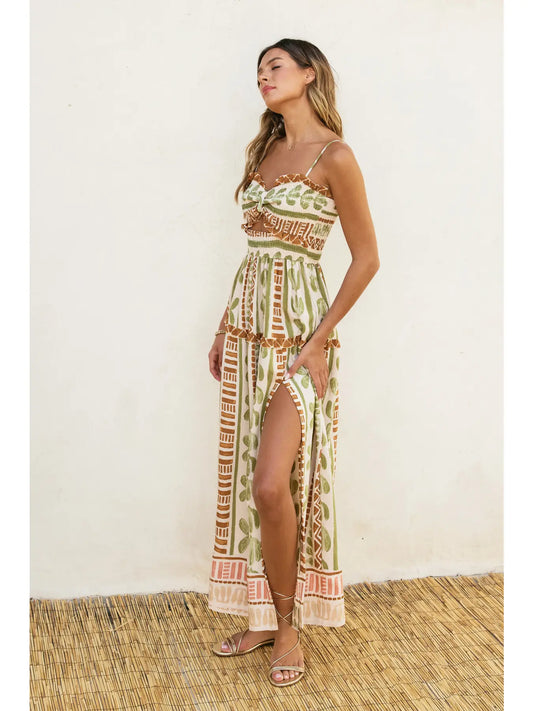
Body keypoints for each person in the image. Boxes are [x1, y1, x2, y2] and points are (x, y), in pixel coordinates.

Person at [206, 38, 380, 688]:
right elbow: (255, 256)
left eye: (274, 66)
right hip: (247, 335)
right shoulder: (264, 151)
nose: (263, 77)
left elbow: (367, 258)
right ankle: (260, 613)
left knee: (272, 484)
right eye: (258, 70)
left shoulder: (334, 155)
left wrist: (319, 340)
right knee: (250, 482)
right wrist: (223, 327)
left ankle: (287, 626)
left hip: (301, 339)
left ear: (309, 75)